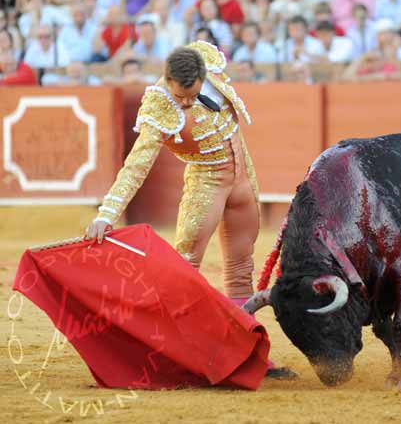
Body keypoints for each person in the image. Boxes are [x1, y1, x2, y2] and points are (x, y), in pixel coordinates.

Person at [84, 41, 296, 379]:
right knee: (185, 271)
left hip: (243, 181)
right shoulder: (158, 106)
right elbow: (136, 165)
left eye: (191, 95)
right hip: (206, 184)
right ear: (166, 80)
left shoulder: (208, 62)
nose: (184, 102)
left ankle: (247, 355)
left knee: (242, 270)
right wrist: (107, 214)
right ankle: (178, 355)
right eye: (179, 96)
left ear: (203, 75)